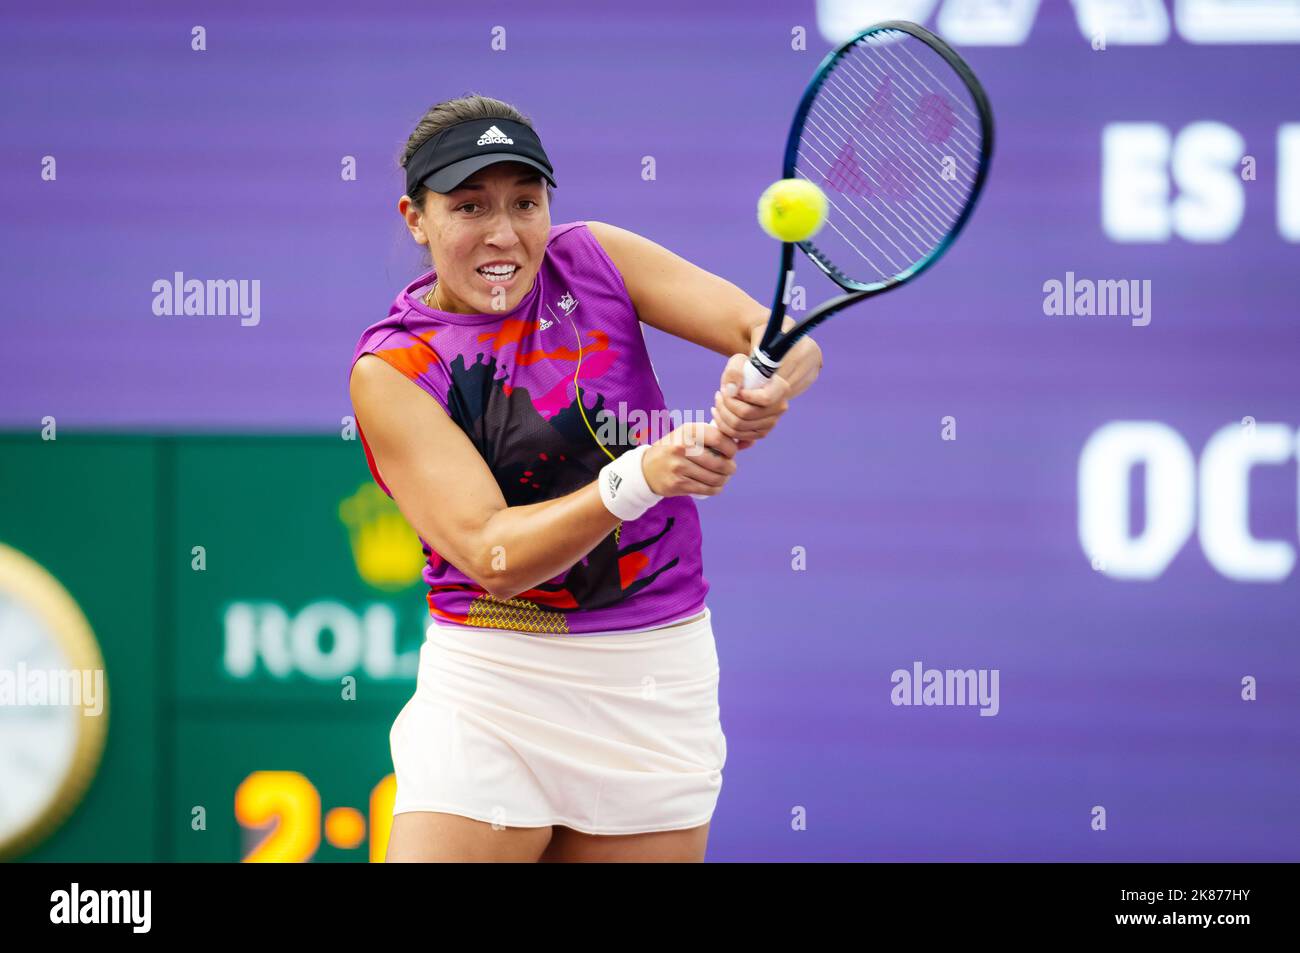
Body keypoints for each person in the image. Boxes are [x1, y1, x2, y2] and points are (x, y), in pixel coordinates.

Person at [348, 93, 822, 862]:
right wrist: (642, 474)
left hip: (651, 682)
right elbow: (492, 554)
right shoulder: (393, 367)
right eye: (469, 206)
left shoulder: (593, 257)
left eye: (525, 203)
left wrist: (766, 380)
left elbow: (780, 339)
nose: (504, 233)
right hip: (493, 683)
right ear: (416, 217)